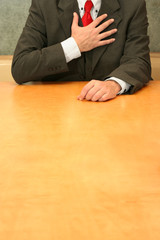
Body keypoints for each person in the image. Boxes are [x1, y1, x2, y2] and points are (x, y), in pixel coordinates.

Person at [11, 0, 151, 102]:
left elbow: (139, 61)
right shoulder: (44, 4)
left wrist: (113, 85)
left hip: (114, 107)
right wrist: (74, 45)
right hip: (55, 112)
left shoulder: (134, 4)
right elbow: (20, 67)